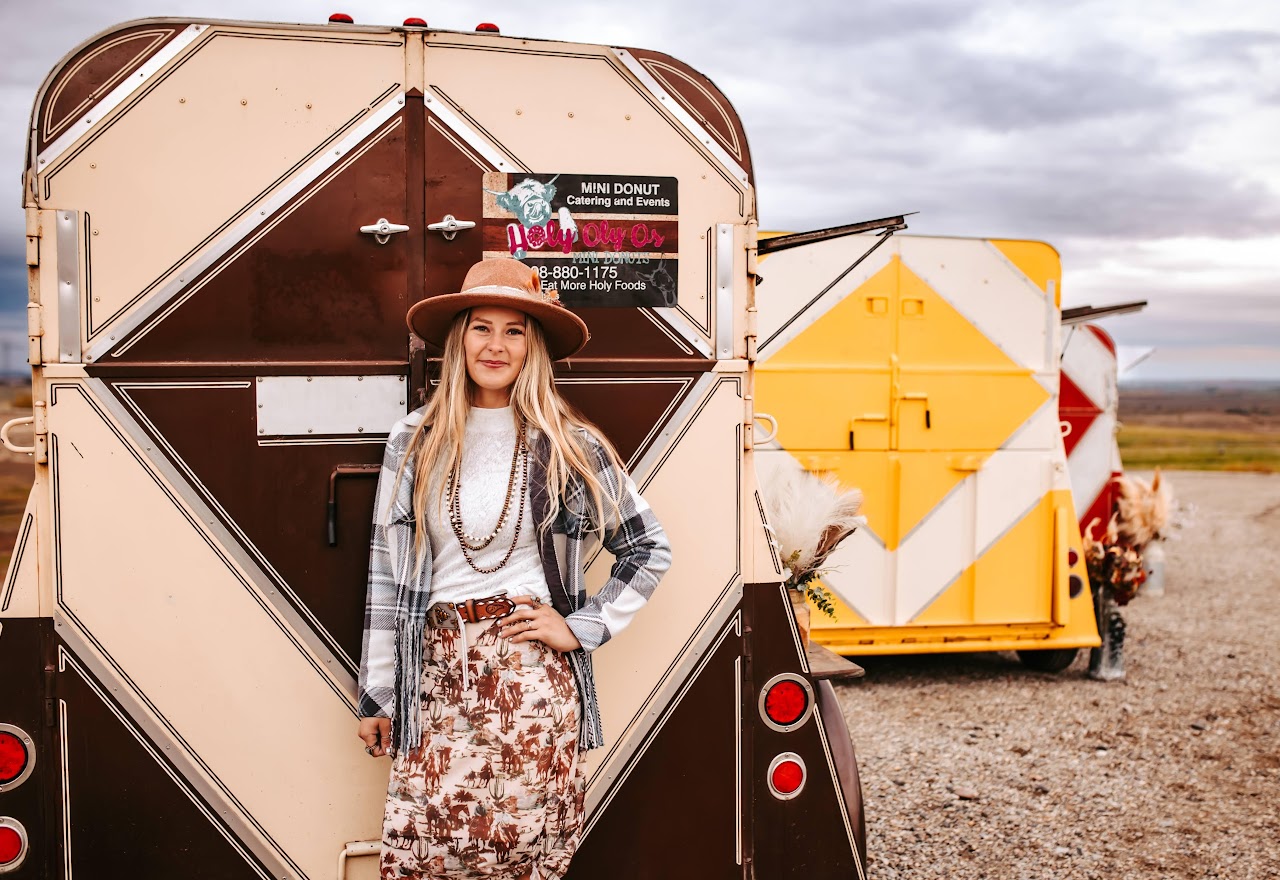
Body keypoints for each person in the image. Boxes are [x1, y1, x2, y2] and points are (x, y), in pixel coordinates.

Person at [357, 258, 671, 880]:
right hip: (434, 675)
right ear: (458, 340)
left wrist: (578, 627)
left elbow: (647, 547)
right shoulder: (413, 440)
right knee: (422, 852)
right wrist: (378, 692)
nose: (495, 346)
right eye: (481, 328)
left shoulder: (568, 443)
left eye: (515, 331)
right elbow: (386, 577)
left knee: (522, 856)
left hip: (528, 680)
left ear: (534, 347)